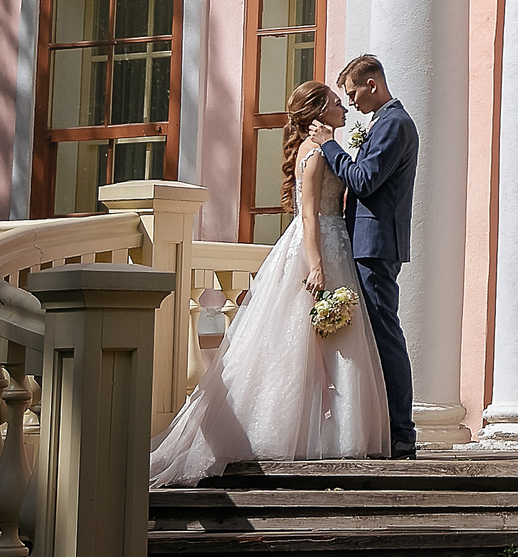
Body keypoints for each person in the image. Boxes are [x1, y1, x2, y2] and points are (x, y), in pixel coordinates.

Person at [149, 80, 389, 486]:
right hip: (318, 246)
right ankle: (293, 435)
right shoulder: (316, 153)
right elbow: (309, 214)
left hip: (334, 244)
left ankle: (326, 433)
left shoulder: (322, 147)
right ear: (319, 112)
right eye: (336, 103)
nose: (344, 108)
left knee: (329, 343)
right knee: (305, 339)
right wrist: (316, 266)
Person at [312, 54, 420, 458]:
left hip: (375, 246)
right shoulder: (383, 122)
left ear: (372, 84)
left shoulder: (394, 124)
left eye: (353, 91)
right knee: (375, 337)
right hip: (365, 243)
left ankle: (402, 433)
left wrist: (330, 146)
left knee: (385, 335)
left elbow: (363, 180)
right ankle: (383, 429)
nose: (351, 101)